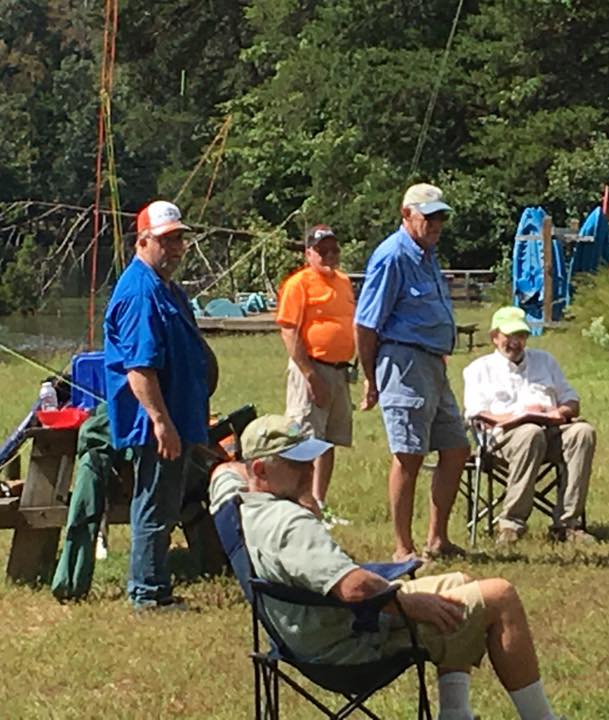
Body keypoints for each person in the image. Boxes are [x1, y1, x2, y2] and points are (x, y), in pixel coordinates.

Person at [210, 415, 566, 720]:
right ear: (260, 469)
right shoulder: (289, 524)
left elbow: (224, 469)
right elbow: (354, 588)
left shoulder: (237, 501)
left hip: (308, 633)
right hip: (347, 645)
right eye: (297, 463)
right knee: (500, 595)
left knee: (460, 580)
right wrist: (410, 604)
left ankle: (455, 713)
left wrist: (273, 480)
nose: (310, 469)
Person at [354, 183, 470, 561]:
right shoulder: (392, 256)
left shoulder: (427, 252)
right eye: (429, 217)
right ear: (407, 215)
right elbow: (366, 323)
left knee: (456, 448)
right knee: (409, 454)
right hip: (403, 363)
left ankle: (438, 538)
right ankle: (403, 547)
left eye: (441, 217)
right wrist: (371, 378)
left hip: (434, 362)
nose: (436, 224)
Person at [103, 200, 209, 609]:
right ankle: (147, 593)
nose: (177, 247)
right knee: (154, 504)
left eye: (180, 238)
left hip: (175, 416)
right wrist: (161, 421)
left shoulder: (165, 287)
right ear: (143, 240)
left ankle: (155, 586)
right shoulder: (140, 292)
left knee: (165, 502)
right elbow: (139, 369)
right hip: (155, 424)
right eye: (167, 240)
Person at [462, 306, 596, 545]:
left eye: (521, 336)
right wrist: (519, 415)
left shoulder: (545, 361)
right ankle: (511, 525)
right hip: (502, 439)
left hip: (551, 431)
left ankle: (568, 524)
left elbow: (572, 401)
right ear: (494, 337)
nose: (516, 343)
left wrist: (556, 412)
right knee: (529, 433)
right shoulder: (479, 369)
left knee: (582, 432)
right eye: (509, 337)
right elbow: (475, 414)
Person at [276, 223, 356, 507]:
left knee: (329, 440)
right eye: (322, 250)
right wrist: (310, 375)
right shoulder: (298, 284)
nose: (329, 255)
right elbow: (289, 330)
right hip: (311, 369)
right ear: (308, 253)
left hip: (339, 370)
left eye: (334, 249)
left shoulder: (344, 282)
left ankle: (319, 502)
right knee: (306, 439)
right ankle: (299, 501)